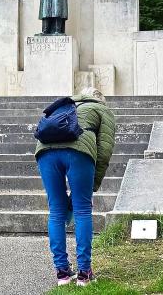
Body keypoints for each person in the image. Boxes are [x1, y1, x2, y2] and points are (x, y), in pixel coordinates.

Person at [35, 87, 116, 287]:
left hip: (45, 152)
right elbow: (104, 150)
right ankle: (84, 273)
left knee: (55, 211)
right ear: (100, 99)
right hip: (78, 152)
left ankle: (62, 272)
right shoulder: (102, 110)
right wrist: (94, 184)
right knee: (82, 210)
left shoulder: (64, 105)